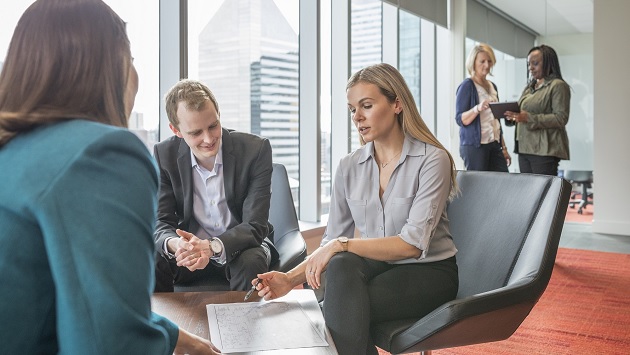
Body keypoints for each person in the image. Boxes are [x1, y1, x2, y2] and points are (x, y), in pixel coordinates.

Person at [0, 0, 219, 354]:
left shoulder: (13, 151)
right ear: (113, 68)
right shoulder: (103, 154)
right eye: (131, 59)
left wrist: (178, 339)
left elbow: (74, 296)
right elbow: (109, 342)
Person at [253, 63, 459, 355]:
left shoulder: (432, 160)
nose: (357, 117)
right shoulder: (349, 166)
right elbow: (331, 243)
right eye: (352, 109)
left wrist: (341, 245)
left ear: (397, 104)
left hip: (429, 272)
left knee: (341, 306)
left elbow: (412, 244)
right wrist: (288, 279)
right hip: (379, 267)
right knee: (340, 267)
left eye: (367, 105)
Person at [154, 79, 279, 292]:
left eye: (213, 126)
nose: (209, 138)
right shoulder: (163, 155)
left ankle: (241, 326)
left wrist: (211, 247)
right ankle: (162, 325)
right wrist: (178, 246)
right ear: (176, 130)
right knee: (151, 257)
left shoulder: (255, 150)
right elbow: (161, 222)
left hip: (240, 248)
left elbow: (255, 225)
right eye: (195, 133)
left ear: (218, 114)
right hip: (189, 254)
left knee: (251, 261)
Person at [505, 44, 571, 176]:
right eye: (529, 64)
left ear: (548, 63)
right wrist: (513, 116)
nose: (530, 68)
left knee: (543, 193)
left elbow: (561, 118)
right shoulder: (530, 87)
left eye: (535, 63)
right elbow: (522, 112)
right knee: (528, 192)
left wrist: (528, 118)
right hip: (524, 148)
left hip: (544, 150)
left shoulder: (558, 86)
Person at [455, 43, 511, 171]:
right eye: (482, 61)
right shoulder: (467, 85)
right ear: (473, 62)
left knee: (503, 181)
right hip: (475, 146)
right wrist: (477, 108)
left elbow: (496, 121)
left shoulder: (493, 86)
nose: (486, 65)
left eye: (489, 61)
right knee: (479, 186)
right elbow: (460, 119)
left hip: (494, 143)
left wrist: (504, 148)